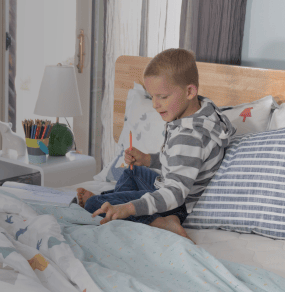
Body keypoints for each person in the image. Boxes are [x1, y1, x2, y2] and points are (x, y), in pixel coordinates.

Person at [77, 48, 236, 241]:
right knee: (132, 172)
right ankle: (115, 203)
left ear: (189, 91)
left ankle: (159, 222)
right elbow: (179, 161)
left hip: (174, 205)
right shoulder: (203, 111)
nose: (154, 104)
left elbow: (175, 193)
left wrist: (130, 208)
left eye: (162, 97)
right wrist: (147, 159)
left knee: (93, 204)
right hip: (166, 187)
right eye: (152, 96)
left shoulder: (189, 137)